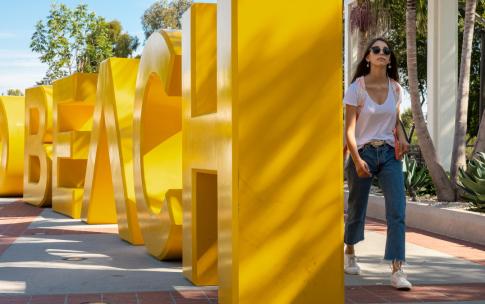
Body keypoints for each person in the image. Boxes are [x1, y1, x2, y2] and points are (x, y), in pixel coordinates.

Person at [343, 37, 412, 290]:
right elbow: (349, 132)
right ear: (368, 58)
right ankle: (349, 250)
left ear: (389, 59)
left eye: (386, 51)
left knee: (397, 210)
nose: (381, 53)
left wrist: (402, 140)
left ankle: (397, 269)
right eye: (376, 50)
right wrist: (358, 159)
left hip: (390, 155)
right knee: (356, 208)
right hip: (363, 153)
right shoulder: (356, 88)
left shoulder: (396, 89)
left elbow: (395, 123)